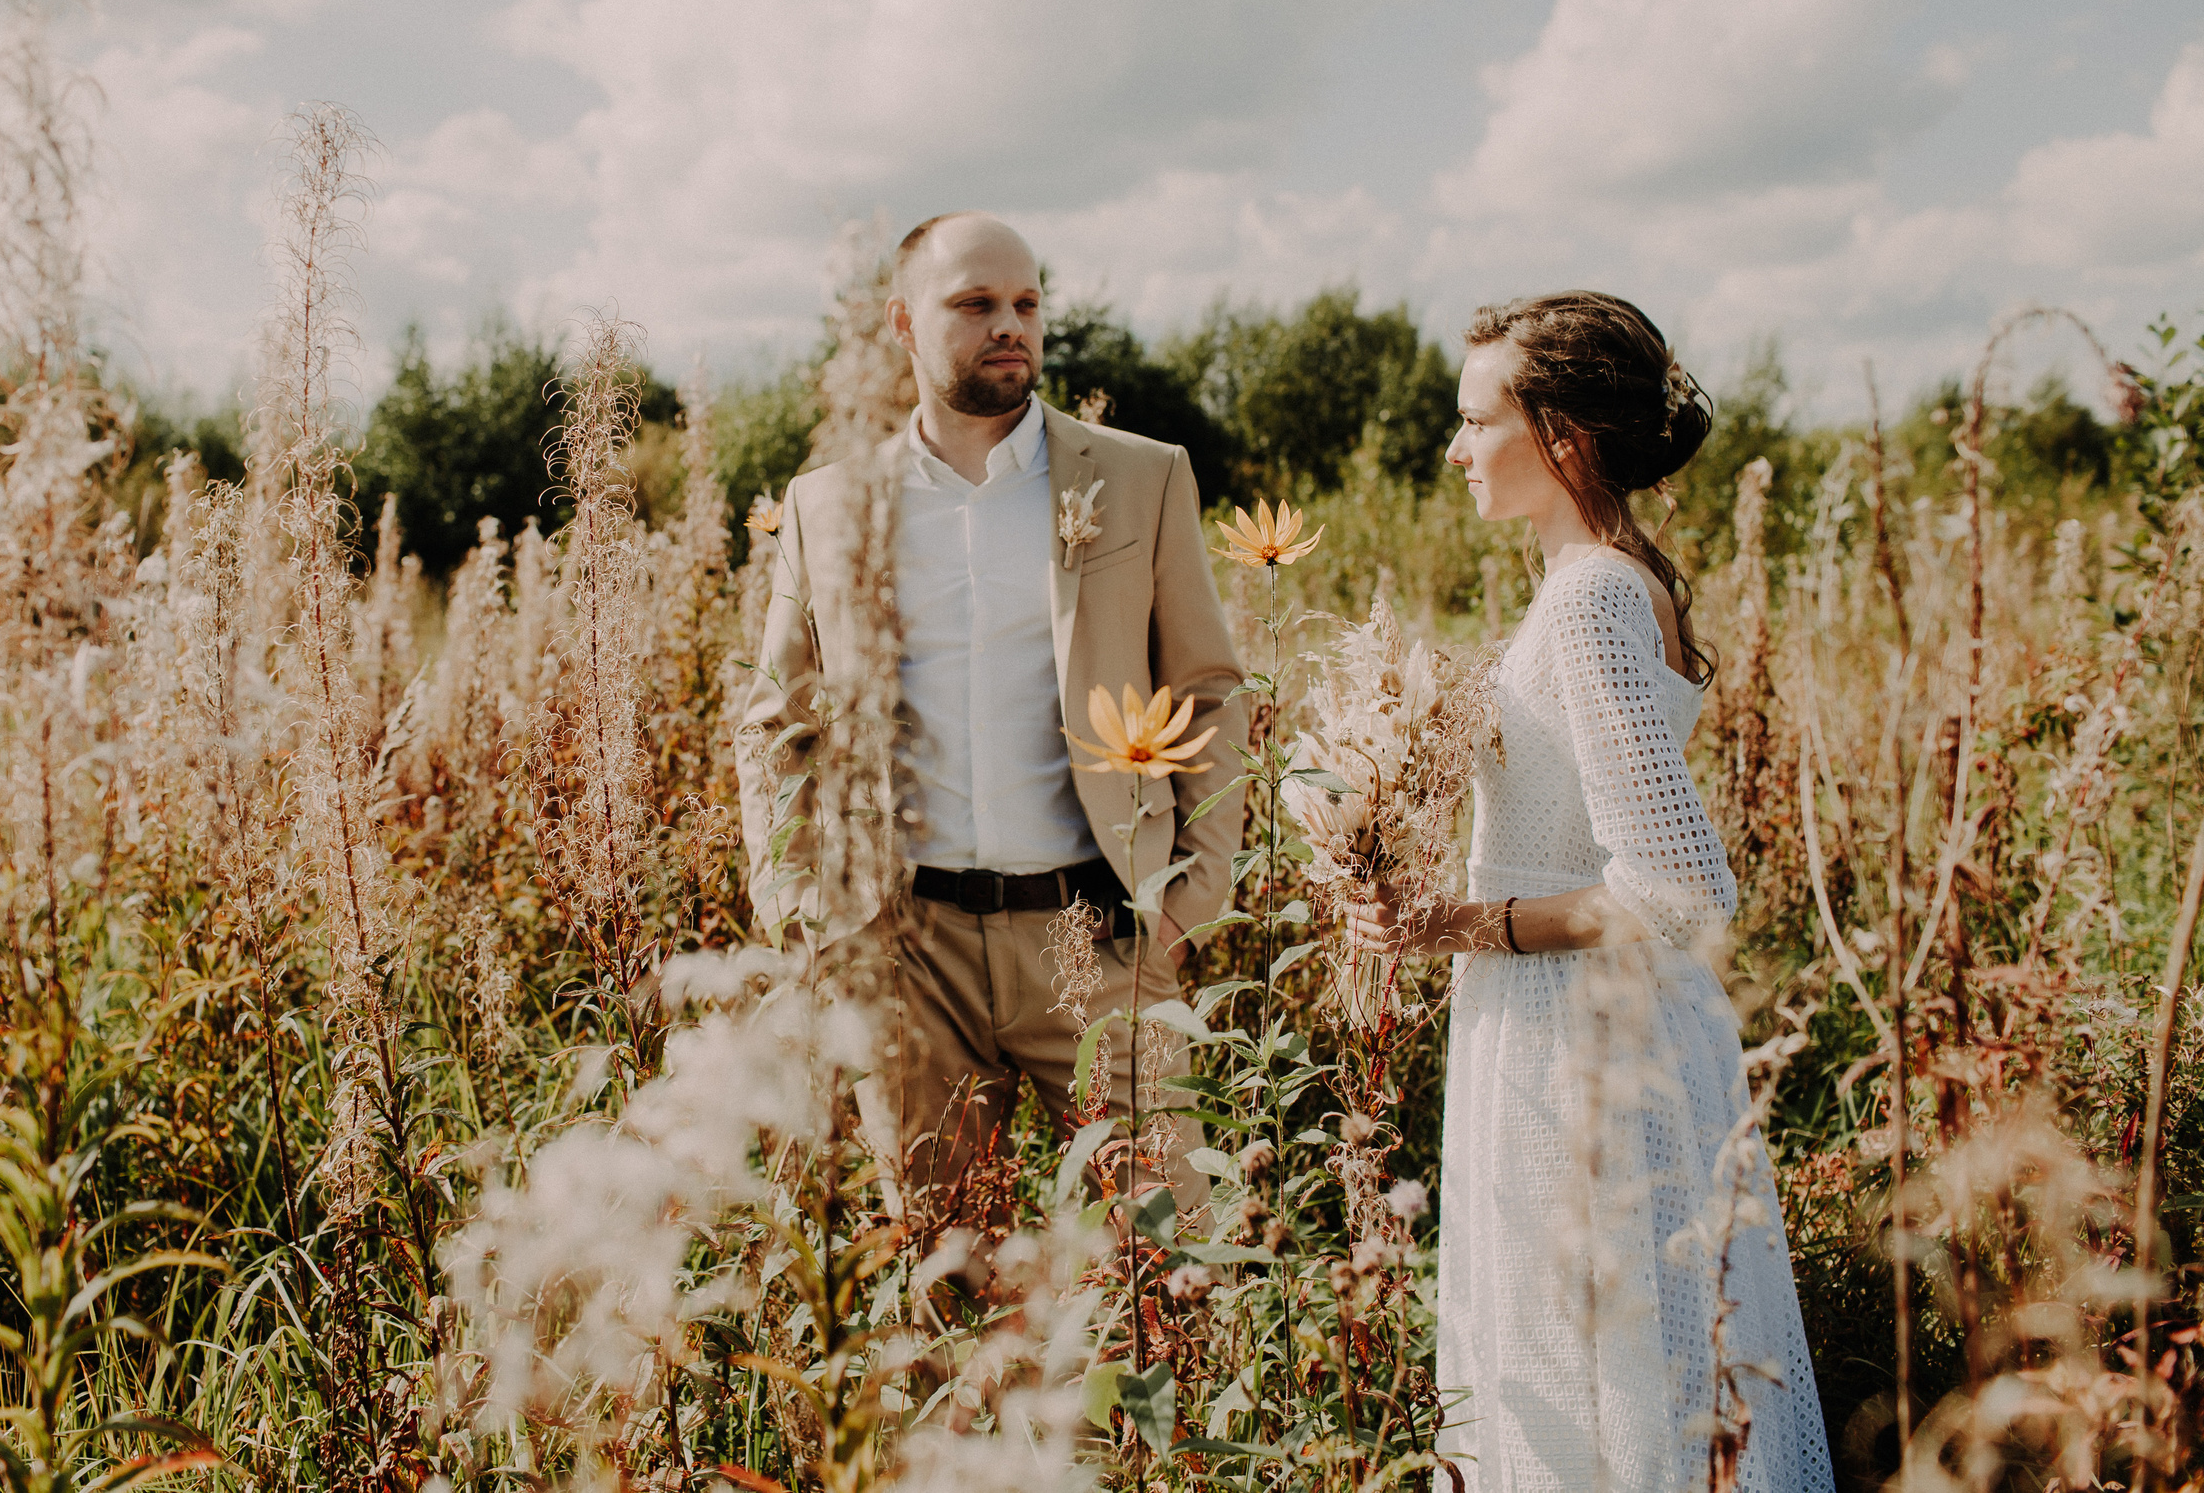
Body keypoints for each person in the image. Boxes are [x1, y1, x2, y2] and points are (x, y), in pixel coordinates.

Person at [1346, 292, 1832, 1492]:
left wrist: (1451, 924)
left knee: (1613, 1373)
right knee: (1604, 1363)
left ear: (1560, 433)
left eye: (1475, 420)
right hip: (1565, 1021)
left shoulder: (1591, 597)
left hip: (1586, 1040)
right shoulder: (1596, 578)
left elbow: (1673, 888)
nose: (1455, 451)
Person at [733, 211, 1247, 1218]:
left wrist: (1193, 897)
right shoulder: (827, 506)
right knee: (947, 1268)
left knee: (1173, 1248)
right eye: (973, 305)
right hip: (906, 949)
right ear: (901, 323)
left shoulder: (1141, 477)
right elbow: (776, 722)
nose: (1008, 325)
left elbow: (1208, 689)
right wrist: (802, 914)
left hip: (1097, 934)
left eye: (1024, 303)